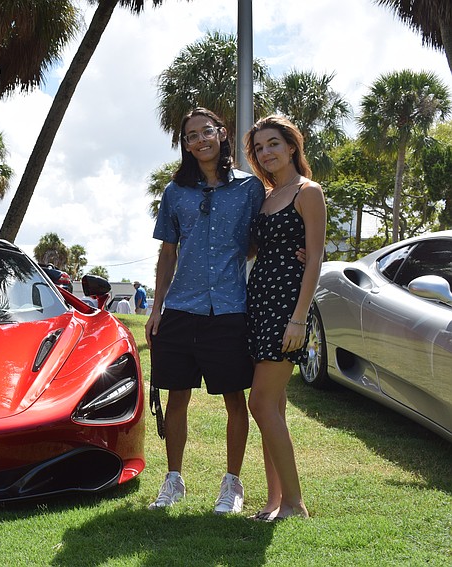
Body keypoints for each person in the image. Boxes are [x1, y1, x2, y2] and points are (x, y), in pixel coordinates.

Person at [146, 107, 265, 514]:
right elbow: (167, 252)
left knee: (235, 398)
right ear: (186, 145)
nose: (200, 140)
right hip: (181, 308)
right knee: (176, 397)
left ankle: (232, 484)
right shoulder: (175, 192)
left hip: (230, 309)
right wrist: (157, 307)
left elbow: (258, 240)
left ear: (222, 133)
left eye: (206, 131)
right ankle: (173, 479)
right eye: (191, 135)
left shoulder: (249, 190)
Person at [243, 115, 326, 521]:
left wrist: (298, 319)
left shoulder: (308, 193)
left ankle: (295, 503)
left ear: (292, 146)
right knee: (273, 404)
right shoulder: (265, 196)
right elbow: (255, 249)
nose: (266, 152)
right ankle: (276, 500)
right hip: (258, 301)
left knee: (259, 402)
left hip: (286, 307)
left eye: (273, 144)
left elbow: (314, 258)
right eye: (259, 148)